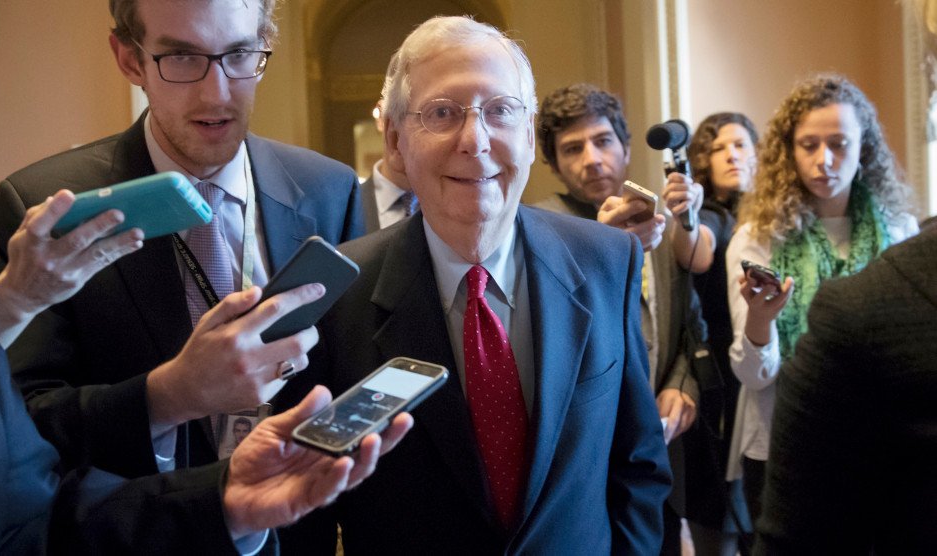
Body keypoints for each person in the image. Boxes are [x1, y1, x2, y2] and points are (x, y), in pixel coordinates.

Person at [274, 17, 671, 554]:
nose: (475, 141)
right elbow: (304, 513)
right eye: (442, 113)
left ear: (528, 133)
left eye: (500, 111)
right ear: (395, 141)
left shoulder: (606, 260)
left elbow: (638, 465)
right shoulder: (334, 295)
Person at [0, 0, 364, 485]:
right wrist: (169, 395)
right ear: (130, 60)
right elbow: (21, 427)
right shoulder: (44, 207)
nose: (217, 94)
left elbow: (353, 375)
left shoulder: (331, 190)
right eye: (182, 57)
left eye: (239, 54)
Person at [0, 191, 411, 554]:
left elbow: (30, 523)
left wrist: (223, 503)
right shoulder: (35, 194)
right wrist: (171, 394)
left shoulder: (327, 187)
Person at [725, 73, 918, 538]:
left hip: (883, 442)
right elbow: (754, 376)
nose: (823, 160)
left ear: (863, 148)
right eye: (808, 145)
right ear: (789, 151)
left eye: (839, 144)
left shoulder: (900, 232)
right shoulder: (757, 239)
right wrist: (761, 320)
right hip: (783, 442)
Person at [534, 82, 703, 554]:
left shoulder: (656, 221)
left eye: (603, 141)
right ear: (553, 165)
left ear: (626, 148)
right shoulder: (539, 230)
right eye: (573, 149)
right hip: (582, 463)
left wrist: (682, 384)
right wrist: (600, 247)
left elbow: (690, 323)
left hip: (658, 454)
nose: (592, 159)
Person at [679, 112, 760, 555]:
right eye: (718, 148)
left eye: (740, 145)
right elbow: (699, 253)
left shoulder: (775, 215)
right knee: (719, 505)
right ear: (703, 161)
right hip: (718, 375)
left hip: (766, 362)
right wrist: (687, 218)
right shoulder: (709, 213)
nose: (731, 155)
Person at [360, 101, 418, 232]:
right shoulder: (344, 206)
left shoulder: (454, 204)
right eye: (401, 113)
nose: (406, 130)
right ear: (381, 118)